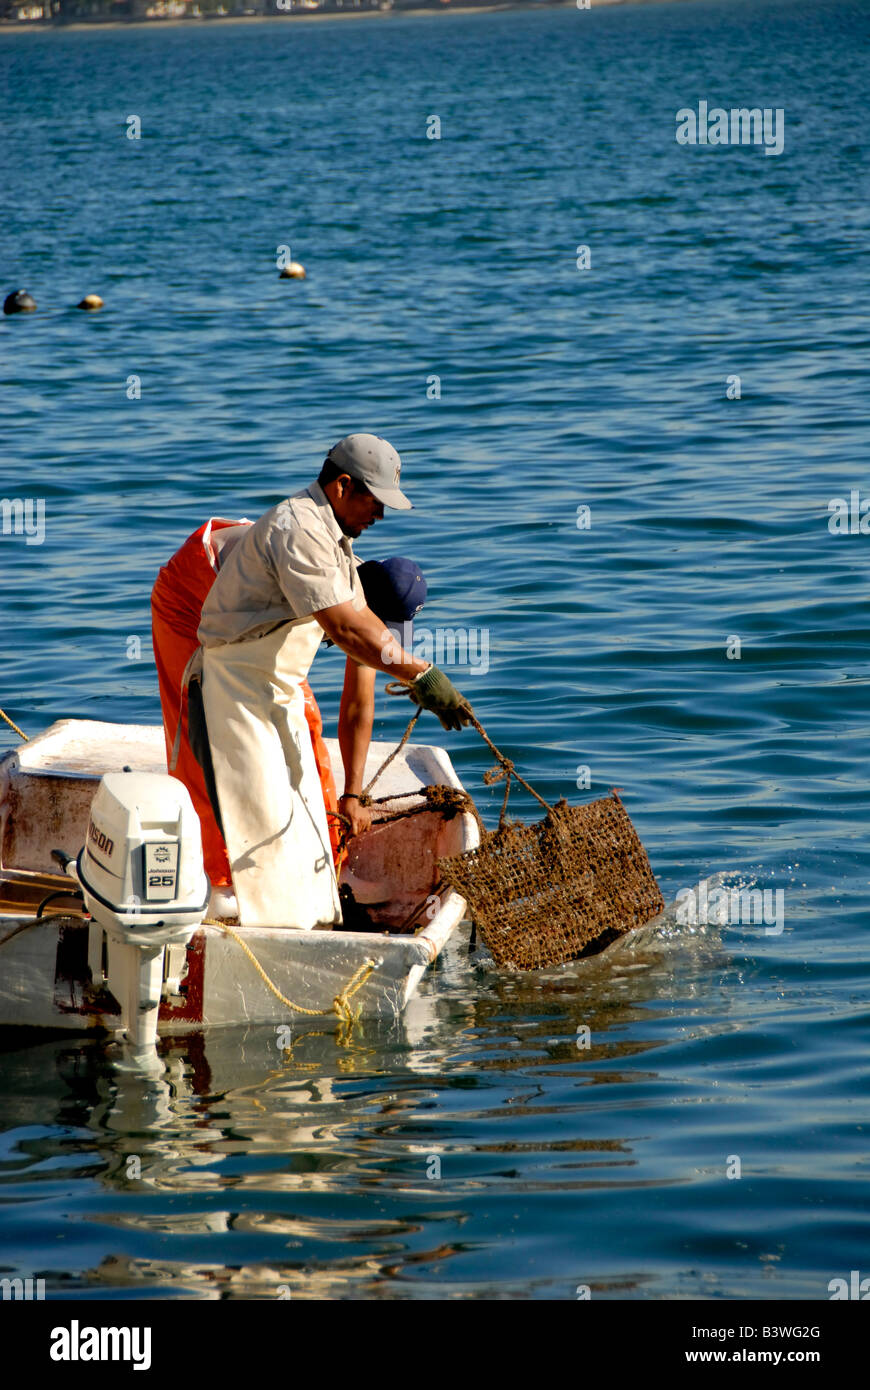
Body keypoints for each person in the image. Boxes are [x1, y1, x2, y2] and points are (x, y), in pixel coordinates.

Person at [195, 433, 471, 930]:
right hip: (225, 663)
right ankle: (248, 915)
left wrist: (353, 794)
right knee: (255, 808)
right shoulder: (298, 528)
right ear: (343, 485)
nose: (381, 516)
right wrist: (423, 674)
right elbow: (348, 629)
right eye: (376, 502)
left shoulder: (340, 544)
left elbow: (360, 681)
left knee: (305, 803)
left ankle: (315, 917)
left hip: (272, 681)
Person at [152, 519, 430, 914]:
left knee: (305, 723)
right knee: (206, 729)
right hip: (194, 589)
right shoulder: (315, 581)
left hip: (259, 609)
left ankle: (332, 864)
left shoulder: (363, 600)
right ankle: (218, 879)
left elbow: (356, 705)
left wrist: (352, 794)